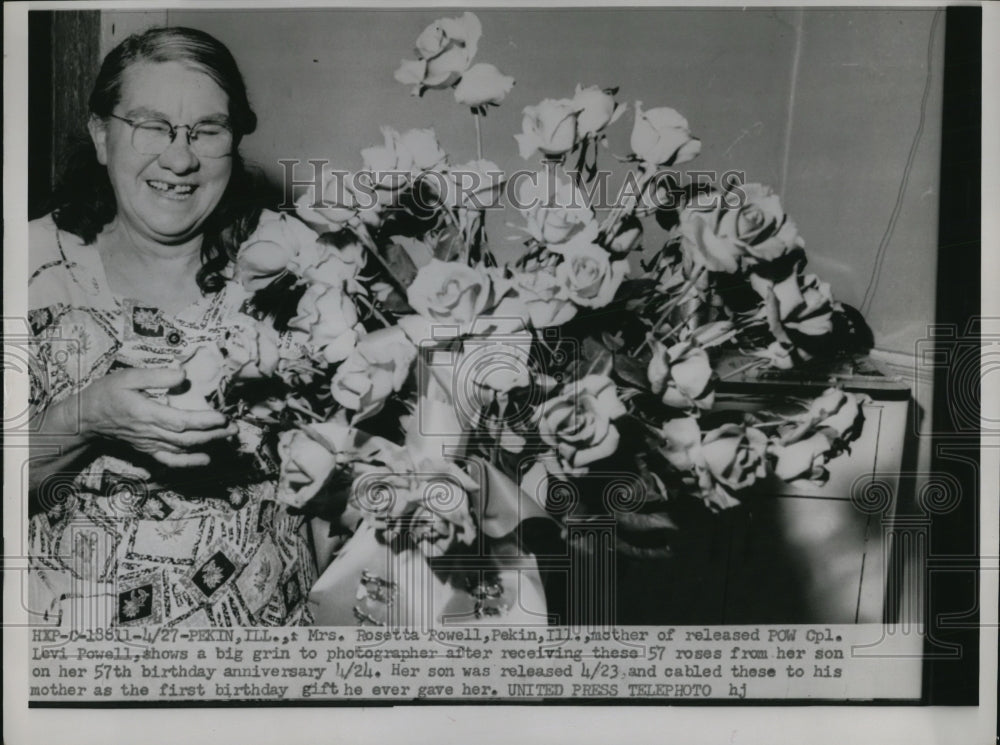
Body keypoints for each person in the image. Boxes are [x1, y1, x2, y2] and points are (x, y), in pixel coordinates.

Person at [27, 27, 315, 627]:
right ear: (102, 136)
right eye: (152, 125)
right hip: (79, 666)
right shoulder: (25, 268)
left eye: (207, 130)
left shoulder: (293, 264)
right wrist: (87, 417)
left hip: (267, 660)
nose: (180, 158)